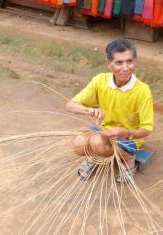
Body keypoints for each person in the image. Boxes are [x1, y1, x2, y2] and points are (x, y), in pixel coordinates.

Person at [66, 38, 154, 183]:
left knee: (96, 143)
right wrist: (88, 110)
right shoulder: (100, 81)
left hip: (128, 137)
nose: (125, 68)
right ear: (108, 64)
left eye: (129, 61)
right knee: (78, 145)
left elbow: (146, 129)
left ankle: (128, 161)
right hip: (102, 130)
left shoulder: (142, 90)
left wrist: (125, 132)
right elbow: (70, 105)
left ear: (135, 61)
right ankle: (96, 156)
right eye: (119, 62)